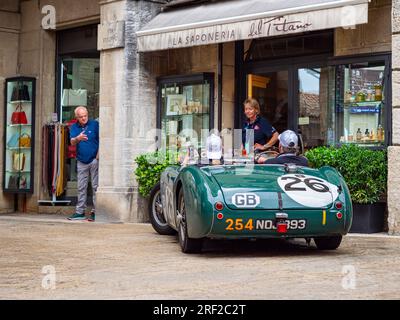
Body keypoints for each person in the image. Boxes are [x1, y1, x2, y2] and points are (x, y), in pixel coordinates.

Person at [67, 106, 99, 221]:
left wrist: (98, 156)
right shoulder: (74, 127)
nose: (84, 118)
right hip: (81, 161)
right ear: (77, 117)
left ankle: (96, 211)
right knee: (81, 187)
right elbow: (72, 142)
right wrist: (78, 138)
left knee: (95, 187)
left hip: (94, 160)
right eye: (81, 117)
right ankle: (80, 212)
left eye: (85, 116)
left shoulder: (95, 124)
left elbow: (102, 139)